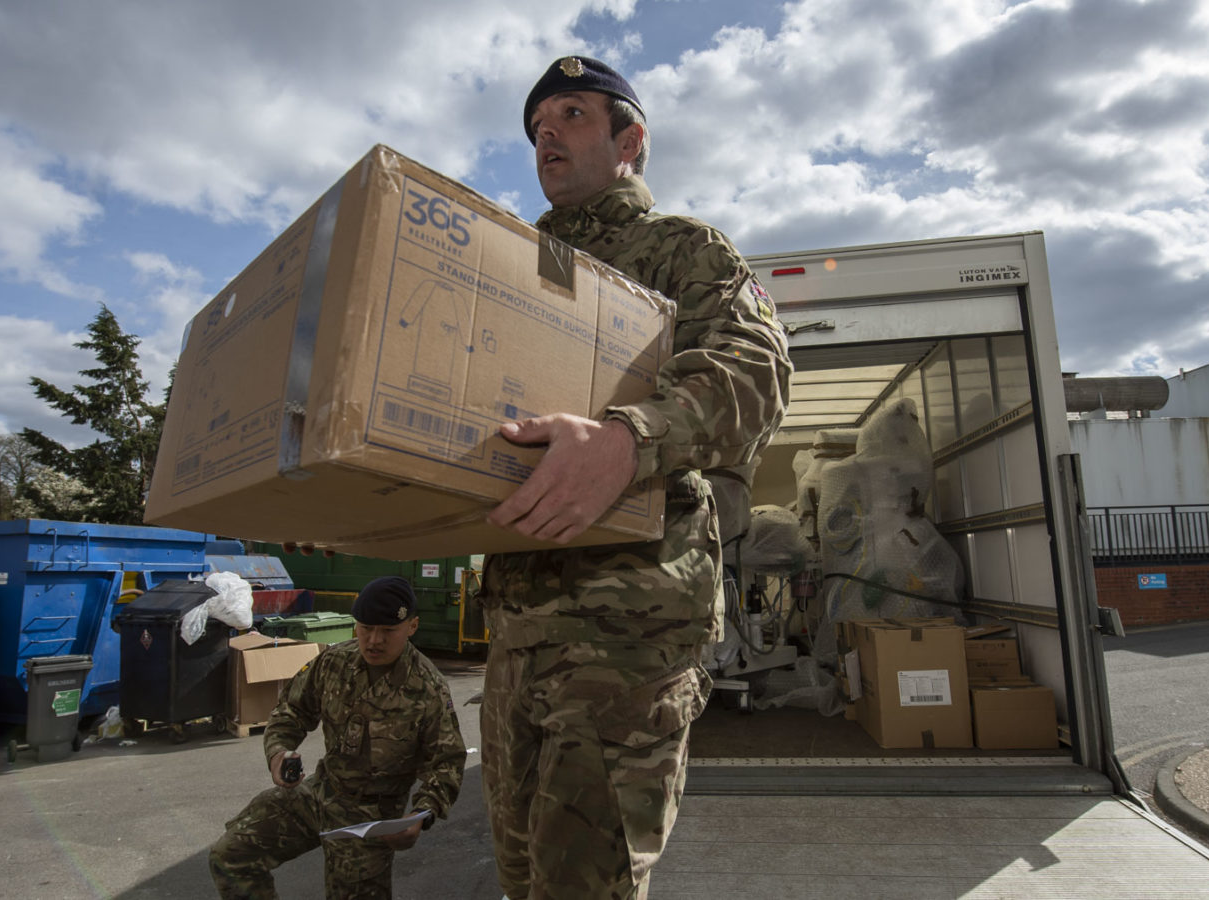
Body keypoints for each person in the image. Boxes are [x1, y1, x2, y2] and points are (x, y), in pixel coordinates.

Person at [477, 56, 792, 899]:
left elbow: (756, 371)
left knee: (588, 888)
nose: (547, 132)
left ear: (631, 140)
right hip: (515, 634)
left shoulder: (681, 249)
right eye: (537, 125)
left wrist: (629, 440)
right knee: (519, 876)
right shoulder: (513, 266)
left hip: (626, 633)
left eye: (572, 113)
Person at [208, 576, 466, 899]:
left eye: (387, 631)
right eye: (365, 628)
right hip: (321, 794)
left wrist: (421, 815)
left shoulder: (427, 688)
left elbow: (447, 762)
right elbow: (291, 710)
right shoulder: (335, 662)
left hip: (373, 820)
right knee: (231, 855)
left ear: (412, 626)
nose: (373, 640)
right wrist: (278, 754)